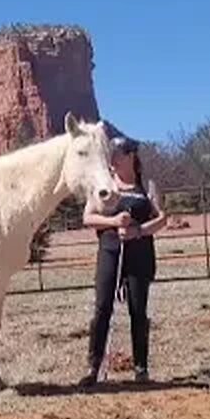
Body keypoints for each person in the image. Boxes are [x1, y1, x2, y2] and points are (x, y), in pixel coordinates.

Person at [78, 134, 168, 386]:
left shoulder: (146, 187)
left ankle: (141, 368)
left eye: (116, 154)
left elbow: (161, 219)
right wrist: (113, 222)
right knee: (102, 307)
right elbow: (88, 218)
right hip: (110, 253)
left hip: (140, 256)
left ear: (130, 157)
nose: (112, 159)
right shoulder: (104, 185)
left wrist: (138, 230)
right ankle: (93, 367)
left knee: (138, 311)